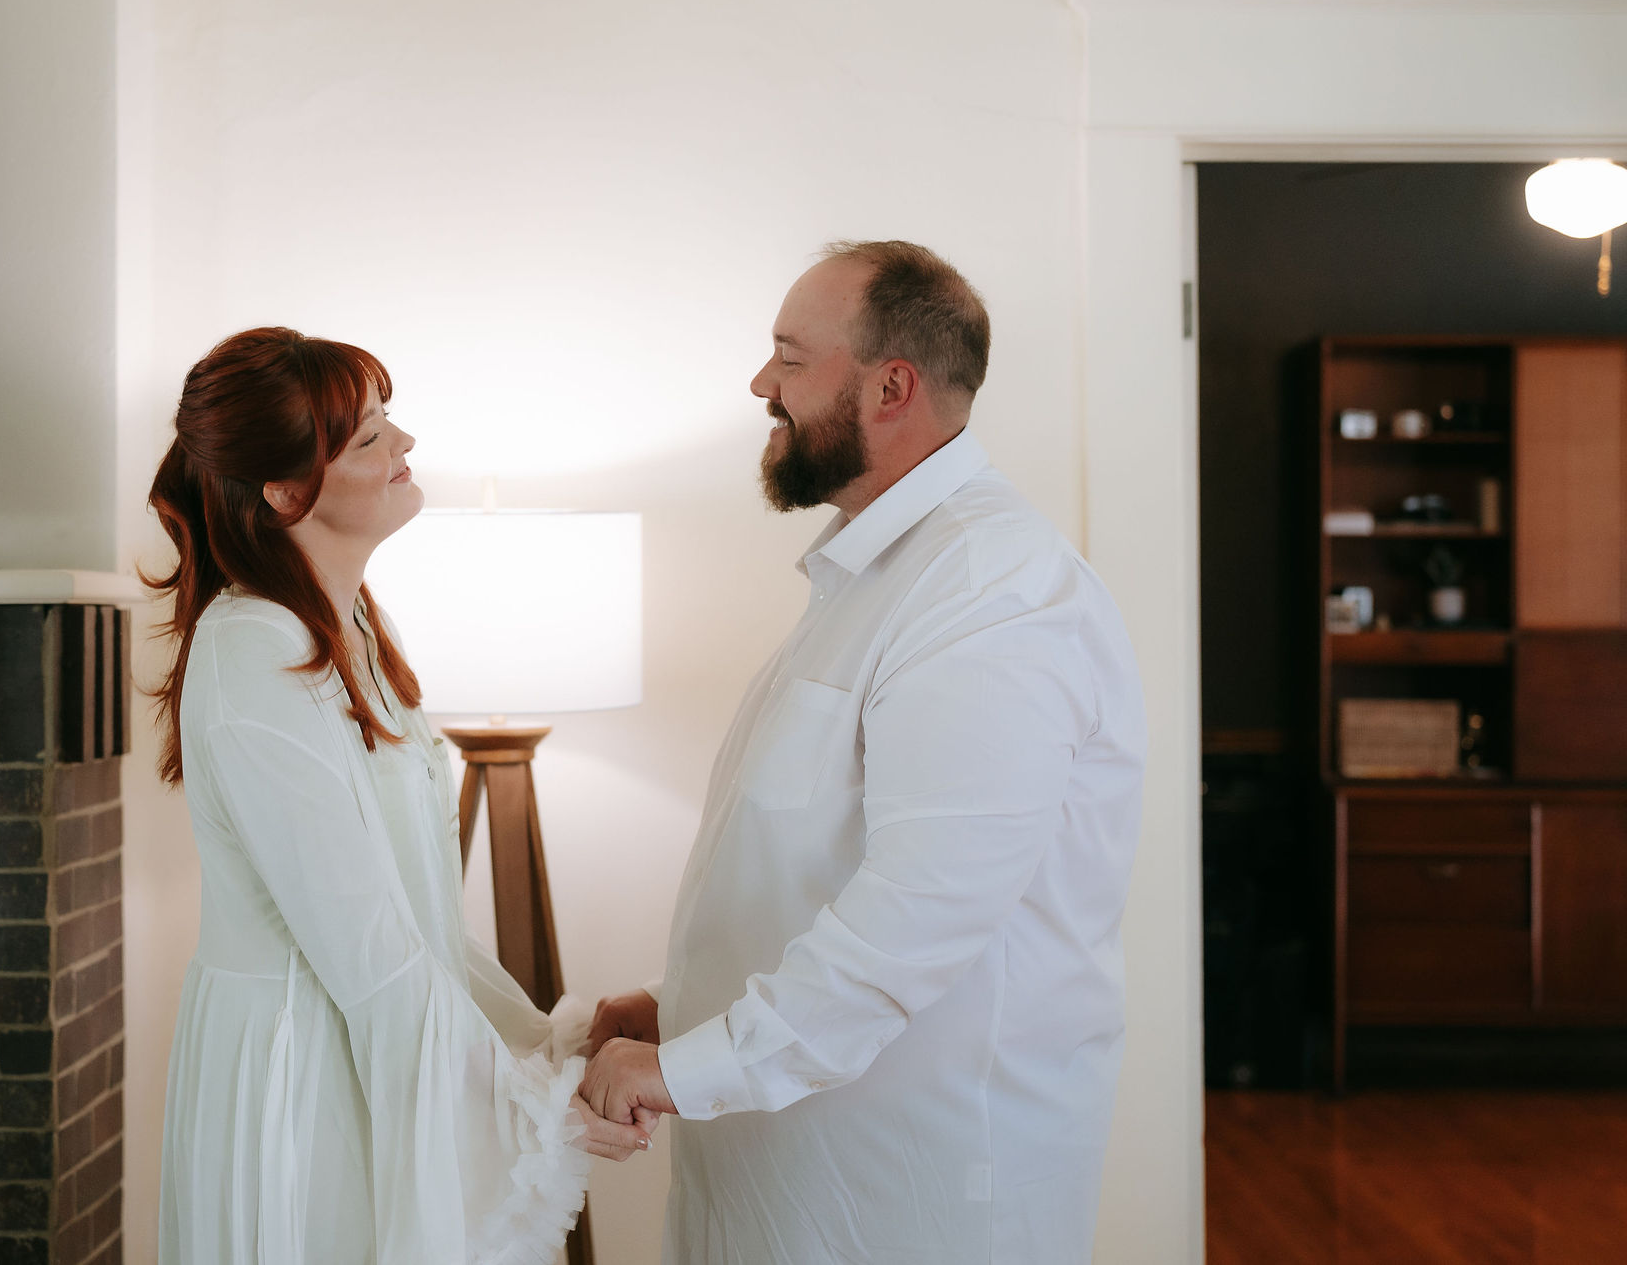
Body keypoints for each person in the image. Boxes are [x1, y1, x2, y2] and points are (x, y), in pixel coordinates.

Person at [580, 241, 1147, 1264]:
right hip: (793, 1180)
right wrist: (683, 1007)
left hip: (915, 1195)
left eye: (790, 359)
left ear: (891, 388)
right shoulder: (882, 576)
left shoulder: (992, 594)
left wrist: (691, 1068)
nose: (761, 384)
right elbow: (816, 862)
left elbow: (920, 913)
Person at [147, 327, 650, 1265]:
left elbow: (417, 923)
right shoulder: (253, 652)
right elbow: (374, 952)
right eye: (371, 436)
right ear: (285, 491)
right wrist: (536, 1109)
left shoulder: (358, 628)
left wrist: (549, 1047)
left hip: (367, 1044)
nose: (405, 444)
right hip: (304, 1072)